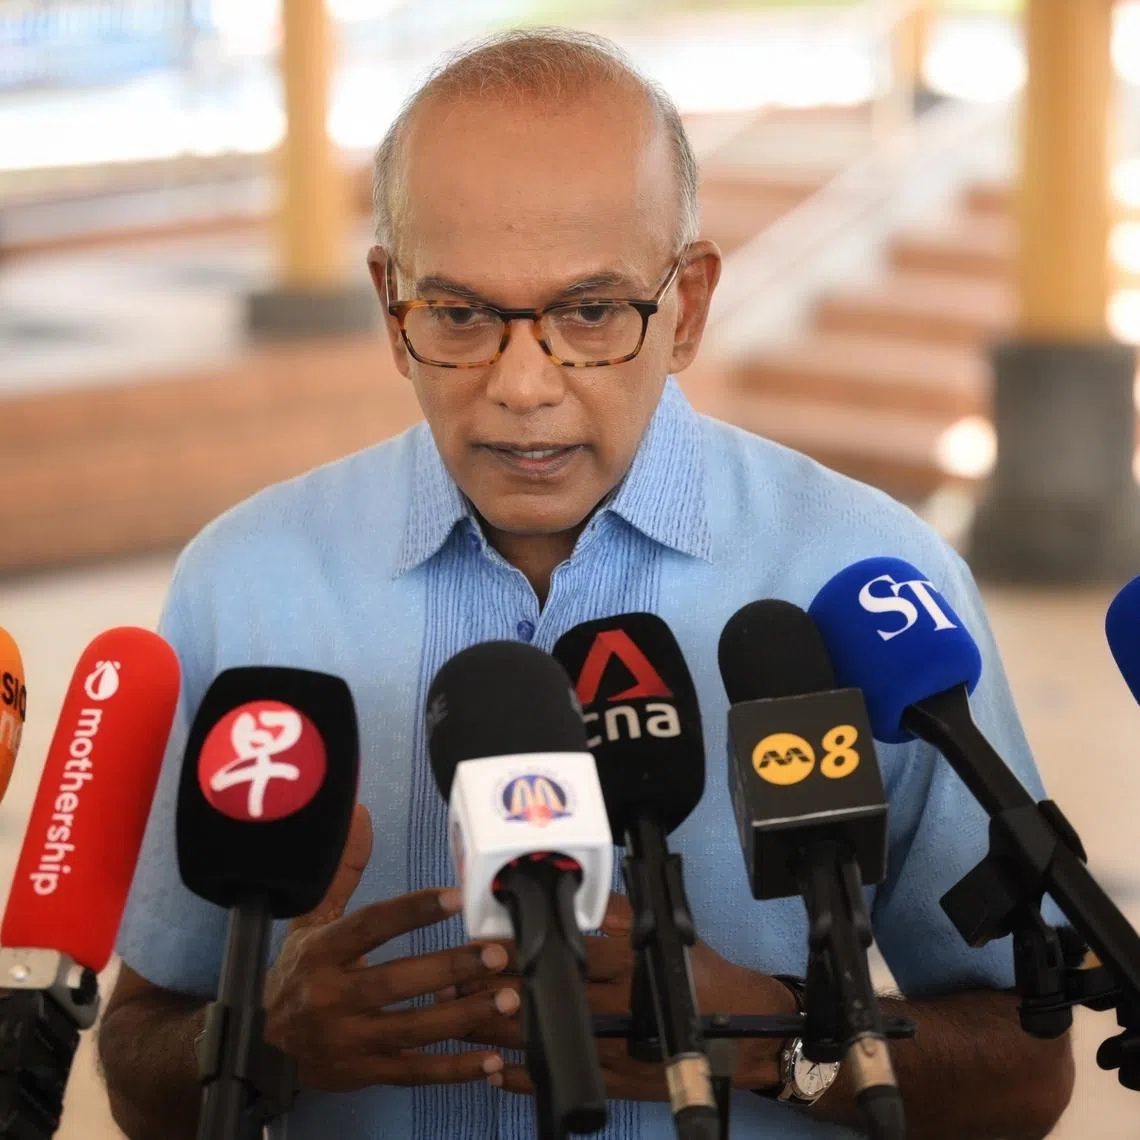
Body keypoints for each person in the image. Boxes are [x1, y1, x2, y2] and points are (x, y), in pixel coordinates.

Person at [98, 27, 1074, 1140]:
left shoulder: (871, 584)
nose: (523, 385)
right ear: (389, 305)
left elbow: (1028, 1072)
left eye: (592, 312)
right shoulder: (244, 584)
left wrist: (780, 1038)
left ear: (690, 305)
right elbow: (138, 1069)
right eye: (459, 314)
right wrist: (261, 1039)